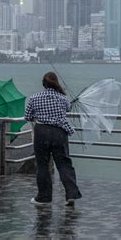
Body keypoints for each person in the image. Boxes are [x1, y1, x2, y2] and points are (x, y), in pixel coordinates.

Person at [25, 72, 82, 206]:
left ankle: (44, 198)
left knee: (42, 165)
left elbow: (27, 116)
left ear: (43, 84)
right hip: (59, 133)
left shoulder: (34, 98)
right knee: (64, 164)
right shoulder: (63, 98)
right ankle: (71, 195)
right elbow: (67, 109)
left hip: (41, 132)